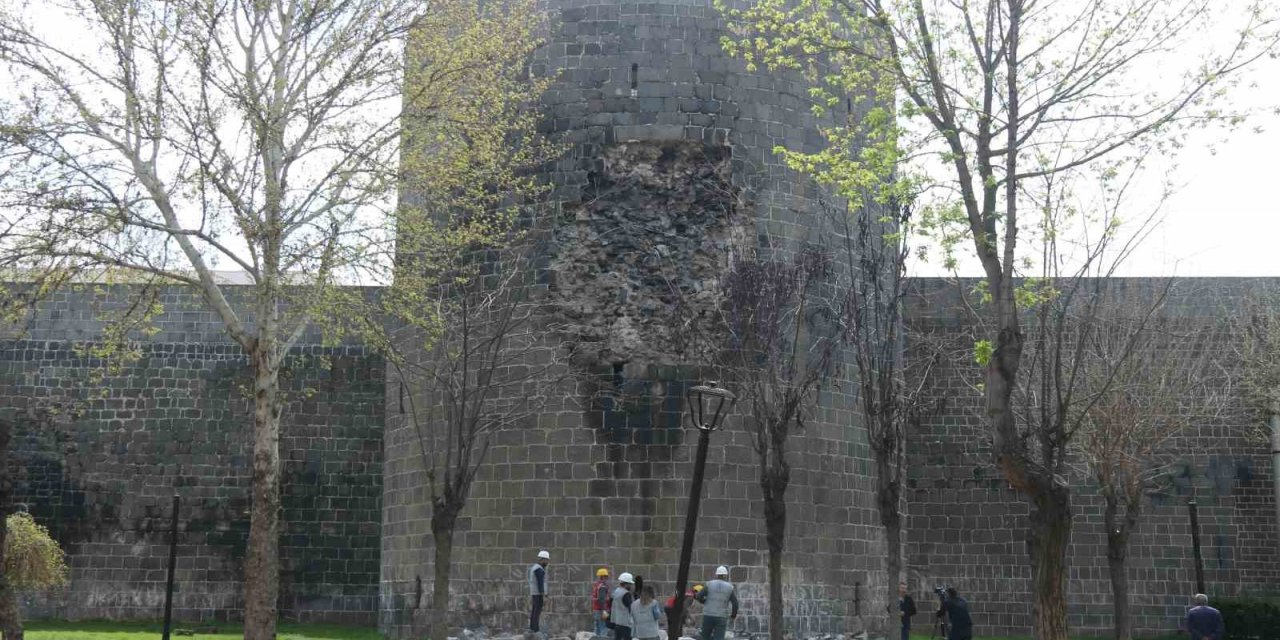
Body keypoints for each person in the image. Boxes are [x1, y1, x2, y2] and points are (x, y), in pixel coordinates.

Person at [695, 566, 738, 640]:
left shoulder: (709, 584)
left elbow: (698, 596)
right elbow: (735, 603)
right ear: (725, 576)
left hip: (708, 615)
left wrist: (704, 601)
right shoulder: (729, 587)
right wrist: (733, 616)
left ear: (716, 575)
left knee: (705, 637)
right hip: (721, 616)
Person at [528, 550, 550, 634]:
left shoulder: (535, 568)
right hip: (538, 594)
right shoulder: (539, 570)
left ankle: (532, 628)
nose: (547, 562)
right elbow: (540, 584)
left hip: (535, 593)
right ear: (542, 559)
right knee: (536, 611)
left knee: (534, 611)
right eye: (546, 560)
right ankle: (535, 629)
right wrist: (543, 596)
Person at [611, 572, 636, 640]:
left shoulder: (616, 591)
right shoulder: (626, 594)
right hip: (626, 623)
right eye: (630, 584)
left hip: (617, 622)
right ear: (626, 584)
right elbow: (631, 609)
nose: (631, 585)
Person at [592, 568, 611, 637]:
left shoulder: (596, 585)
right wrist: (605, 610)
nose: (607, 578)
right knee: (603, 627)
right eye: (606, 576)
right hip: (601, 609)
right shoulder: (602, 586)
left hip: (596, 608)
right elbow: (602, 599)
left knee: (597, 627)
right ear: (602, 576)